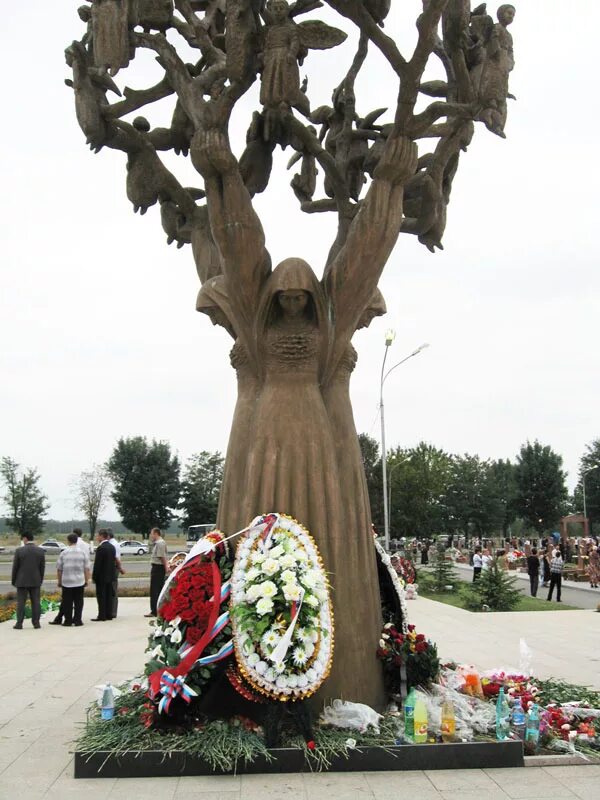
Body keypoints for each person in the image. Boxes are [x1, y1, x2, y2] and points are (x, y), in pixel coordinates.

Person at [50, 527, 91, 624]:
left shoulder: (64, 552)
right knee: (79, 602)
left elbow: (59, 569)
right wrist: (86, 580)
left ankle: (67, 621)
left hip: (67, 581)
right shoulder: (83, 553)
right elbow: (86, 568)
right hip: (79, 580)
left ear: (68, 541)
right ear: (77, 540)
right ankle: (77, 620)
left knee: (67, 601)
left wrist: (59, 581)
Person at [11, 533, 45, 629]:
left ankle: (19, 623)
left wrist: (14, 580)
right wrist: (40, 579)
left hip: (21, 581)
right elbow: (42, 568)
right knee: (36, 602)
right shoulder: (40, 551)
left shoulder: (19, 551)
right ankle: (36, 623)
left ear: (25, 539)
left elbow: (15, 567)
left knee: (21, 602)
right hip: (35, 580)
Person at [92, 529, 116, 621]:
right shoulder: (111, 547)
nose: (97, 537)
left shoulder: (101, 548)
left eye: (98, 536)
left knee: (101, 596)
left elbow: (97, 564)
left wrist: (94, 576)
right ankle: (109, 614)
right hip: (110, 576)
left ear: (102, 536)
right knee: (109, 596)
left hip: (101, 577)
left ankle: (102, 615)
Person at [146, 527, 169, 617]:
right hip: (158, 567)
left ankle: (154, 611)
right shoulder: (159, 543)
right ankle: (158, 609)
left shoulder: (160, 543)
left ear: (156, 533)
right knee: (158, 589)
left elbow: (161, 557)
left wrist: (166, 566)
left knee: (155, 590)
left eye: (152, 534)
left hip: (158, 568)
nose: (151, 536)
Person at [107, 530, 125, 618]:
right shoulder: (114, 543)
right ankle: (111, 610)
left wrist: (120, 568)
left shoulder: (113, 544)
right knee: (112, 589)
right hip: (115, 568)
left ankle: (112, 611)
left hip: (113, 568)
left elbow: (116, 558)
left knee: (113, 590)